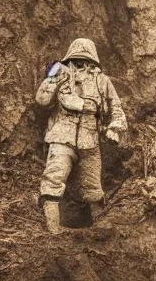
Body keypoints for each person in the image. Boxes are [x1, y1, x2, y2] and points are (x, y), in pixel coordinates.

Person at [35, 38, 127, 233]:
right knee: (53, 179)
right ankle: (53, 230)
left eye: (85, 59)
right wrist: (54, 78)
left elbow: (116, 108)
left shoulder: (102, 79)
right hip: (61, 135)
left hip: (90, 139)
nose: (81, 63)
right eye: (76, 57)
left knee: (92, 188)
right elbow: (42, 99)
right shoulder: (58, 71)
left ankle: (99, 230)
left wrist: (115, 127)